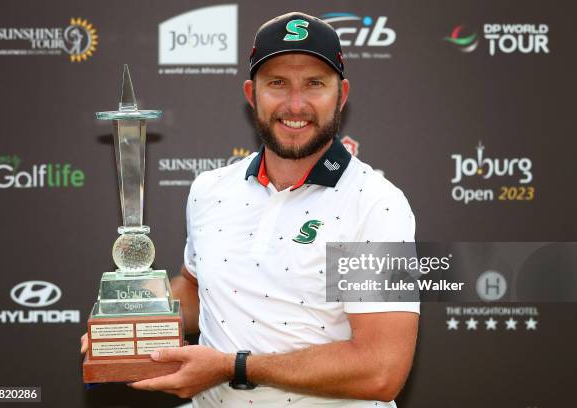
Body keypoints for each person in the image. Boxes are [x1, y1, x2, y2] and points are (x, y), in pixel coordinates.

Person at [82, 11, 419, 407]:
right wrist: (131, 319)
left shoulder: (376, 203)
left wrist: (232, 367)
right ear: (251, 94)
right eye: (277, 83)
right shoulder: (210, 190)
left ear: (341, 95)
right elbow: (195, 289)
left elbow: (381, 369)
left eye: (314, 84)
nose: (295, 104)